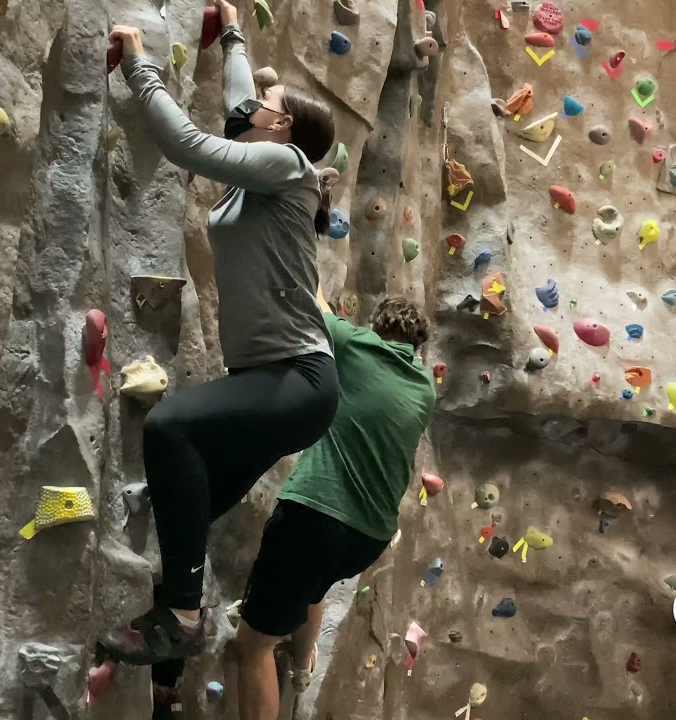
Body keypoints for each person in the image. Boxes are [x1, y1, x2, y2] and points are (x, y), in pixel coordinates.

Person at [100, 0, 342, 666]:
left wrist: (140, 67)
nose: (252, 104)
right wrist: (232, 31)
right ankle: (166, 655)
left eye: (268, 103)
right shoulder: (258, 167)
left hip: (298, 379)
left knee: (169, 429)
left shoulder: (285, 167)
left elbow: (188, 144)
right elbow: (241, 104)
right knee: (188, 505)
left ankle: (180, 615)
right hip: (274, 381)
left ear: (284, 127)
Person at [233, 287, 436, 720]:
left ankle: (275, 653)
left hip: (315, 516)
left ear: (377, 329)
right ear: (417, 347)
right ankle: (303, 667)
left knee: (252, 647)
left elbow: (313, 301)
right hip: (368, 537)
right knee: (314, 585)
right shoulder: (424, 388)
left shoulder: (356, 346)